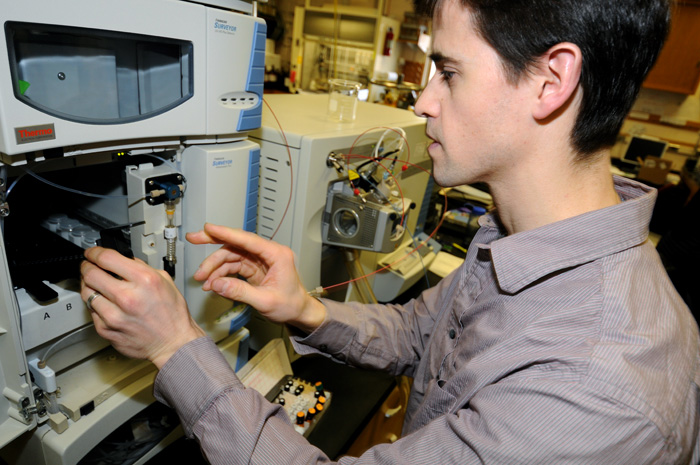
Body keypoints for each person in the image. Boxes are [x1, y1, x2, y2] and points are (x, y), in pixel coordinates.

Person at [80, 0, 700, 462]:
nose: (423, 102)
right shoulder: (522, 240)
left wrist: (175, 349)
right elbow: (419, 331)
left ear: (551, 81)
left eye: (449, 72)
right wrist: (304, 309)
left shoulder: (593, 387)